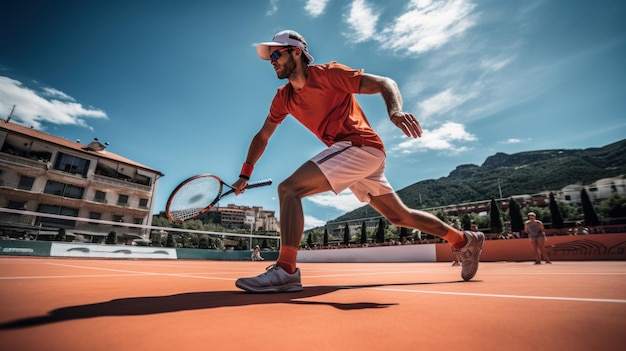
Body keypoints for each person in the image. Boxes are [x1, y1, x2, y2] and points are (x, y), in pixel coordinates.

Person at [232, 30, 485, 293]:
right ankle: (464, 240)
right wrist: (245, 174)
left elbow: (385, 83)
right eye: (269, 57)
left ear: (296, 51)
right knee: (399, 216)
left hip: (360, 146)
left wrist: (395, 111)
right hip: (358, 155)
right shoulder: (283, 98)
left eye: (276, 54)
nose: (272, 60)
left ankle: (285, 270)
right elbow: (262, 136)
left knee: (289, 189)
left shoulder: (329, 74)